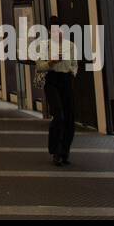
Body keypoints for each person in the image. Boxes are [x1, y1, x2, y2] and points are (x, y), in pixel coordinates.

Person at [36, 17, 78, 165]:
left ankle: (64, 151)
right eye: (53, 30)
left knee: (69, 118)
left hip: (66, 81)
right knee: (59, 115)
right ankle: (55, 151)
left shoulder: (71, 46)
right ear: (49, 31)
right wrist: (51, 62)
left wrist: (72, 71)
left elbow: (74, 64)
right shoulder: (44, 46)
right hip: (52, 81)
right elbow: (39, 67)